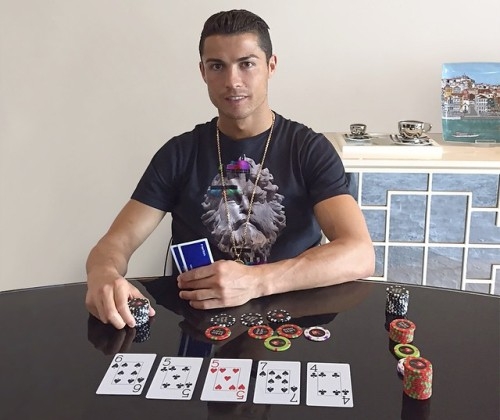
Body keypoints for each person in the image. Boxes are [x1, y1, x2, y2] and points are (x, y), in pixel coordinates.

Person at [85, 9, 375, 329]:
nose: (232, 81)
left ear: (271, 66)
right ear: (203, 72)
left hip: (291, 329)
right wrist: (104, 275)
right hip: (197, 330)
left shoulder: (309, 150)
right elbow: (114, 245)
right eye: (217, 66)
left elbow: (360, 253)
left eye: (246, 64)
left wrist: (256, 281)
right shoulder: (179, 154)